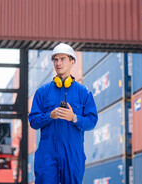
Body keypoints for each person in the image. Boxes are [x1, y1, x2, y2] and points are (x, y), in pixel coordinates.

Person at [28, 43, 98, 184]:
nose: (58, 63)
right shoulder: (42, 92)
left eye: (63, 59)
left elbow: (92, 122)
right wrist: (49, 116)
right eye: (55, 60)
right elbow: (33, 121)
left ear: (72, 61)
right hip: (47, 154)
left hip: (73, 154)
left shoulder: (84, 93)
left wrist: (74, 118)